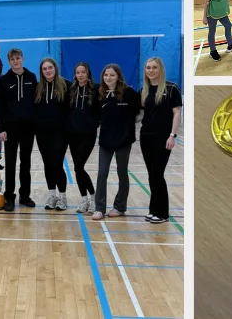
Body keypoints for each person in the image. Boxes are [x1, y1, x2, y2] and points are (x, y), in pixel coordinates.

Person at [92, 64, 141, 221]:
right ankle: (99, 208)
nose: (108, 78)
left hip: (124, 141)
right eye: (106, 75)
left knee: (122, 172)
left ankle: (120, 207)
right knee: (102, 173)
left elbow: (140, 112)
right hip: (106, 141)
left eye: (112, 75)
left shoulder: (129, 93)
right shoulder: (100, 94)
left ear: (118, 76)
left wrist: (128, 125)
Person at [139, 57, 181, 224]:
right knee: (151, 175)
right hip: (146, 137)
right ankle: (153, 209)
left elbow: (177, 113)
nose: (151, 70)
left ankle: (162, 213)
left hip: (163, 138)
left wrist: (172, 135)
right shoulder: (144, 90)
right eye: (148, 68)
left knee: (157, 174)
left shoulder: (171, 88)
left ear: (161, 69)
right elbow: (141, 115)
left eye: (154, 67)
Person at [0, 48, 38, 211]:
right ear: (9, 61)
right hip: (10, 129)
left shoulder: (31, 78)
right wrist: (1, 128)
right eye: (12, 59)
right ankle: (9, 197)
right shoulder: (4, 80)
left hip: (28, 128)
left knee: (26, 163)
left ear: (22, 59)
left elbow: (36, 102)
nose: (16, 61)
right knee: (11, 163)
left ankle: (25, 195)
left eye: (18, 58)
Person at [34, 57, 70, 211]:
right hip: (42, 133)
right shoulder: (38, 88)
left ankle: (62, 196)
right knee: (48, 164)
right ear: (42, 72)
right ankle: (52, 195)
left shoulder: (67, 86)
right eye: (44, 69)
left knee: (57, 164)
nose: (48, 71)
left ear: (55, 68)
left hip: (60, 133)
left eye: (50, 67)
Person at [67, 62, 100, 213]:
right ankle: (84, 199)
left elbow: (100, 110)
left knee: (80, 166)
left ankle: (93, 198)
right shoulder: (71, 89)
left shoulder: (96, 89)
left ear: (88, 74)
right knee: (77, 168)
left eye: (83, 72)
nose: (80, 75)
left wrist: (94, 123)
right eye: (78, 72)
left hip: (88, 134)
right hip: (73, 134)